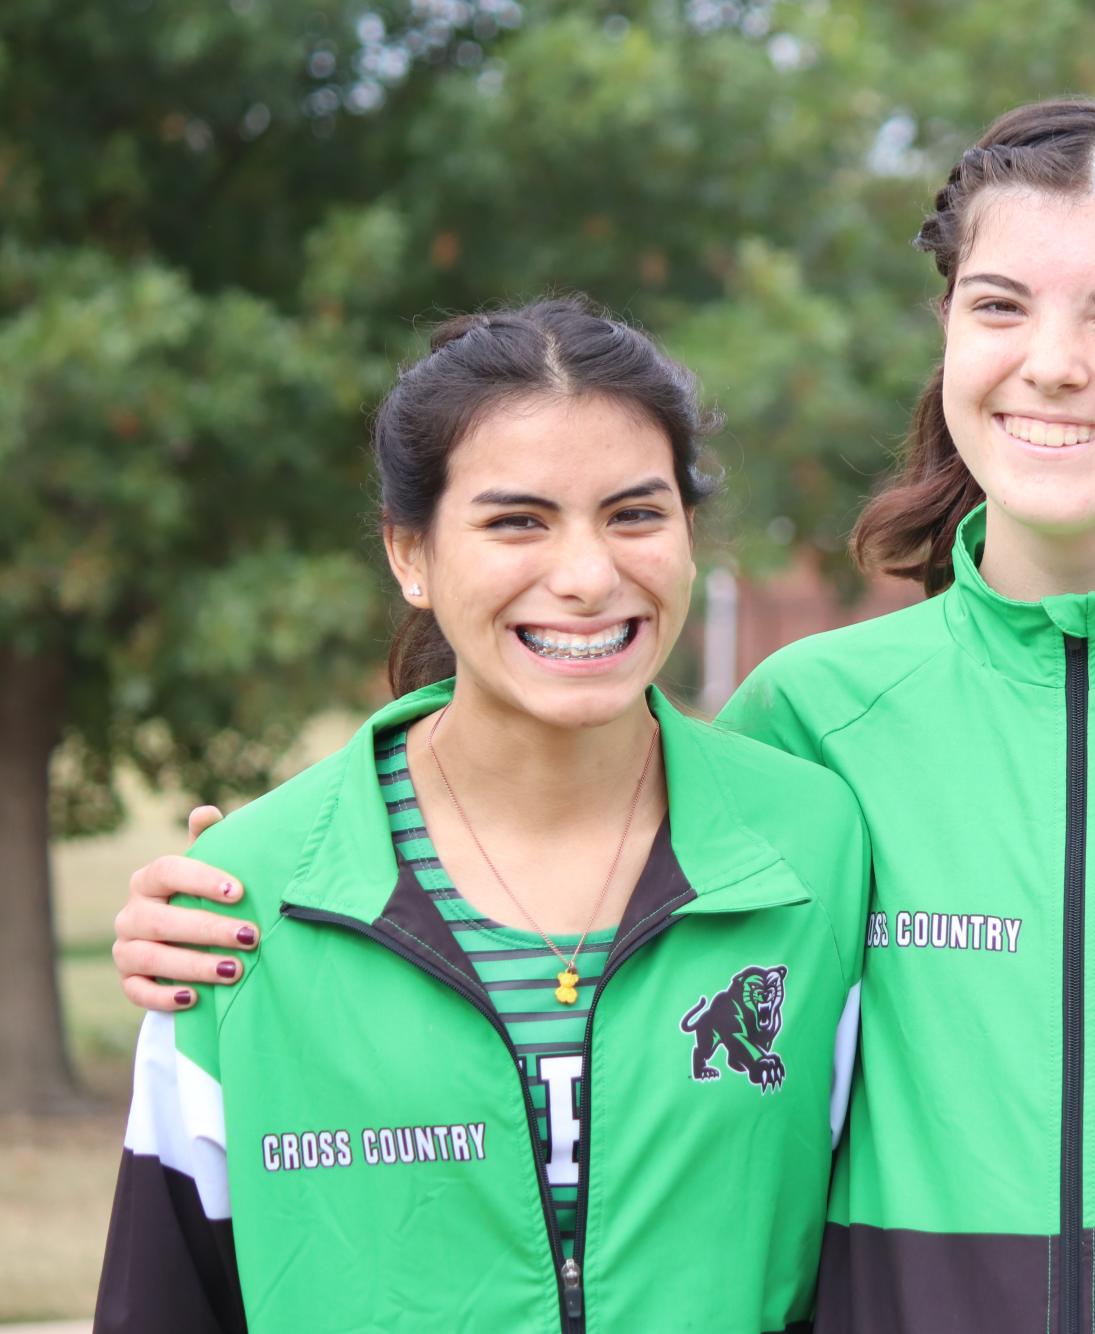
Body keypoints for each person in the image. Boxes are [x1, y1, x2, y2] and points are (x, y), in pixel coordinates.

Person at [113, 101, 1095, 1334]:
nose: (1053, 365)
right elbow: (536, 872)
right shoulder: (811, 722)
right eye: (1000, 305)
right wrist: (241, 892)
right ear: (950, 335)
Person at [96, 299, 869, 1334]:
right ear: (409, 555)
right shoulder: (244, 900)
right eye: (518, 521)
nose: (589, 577)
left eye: (636, 513)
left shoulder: (817, 845)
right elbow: (167, 1291)